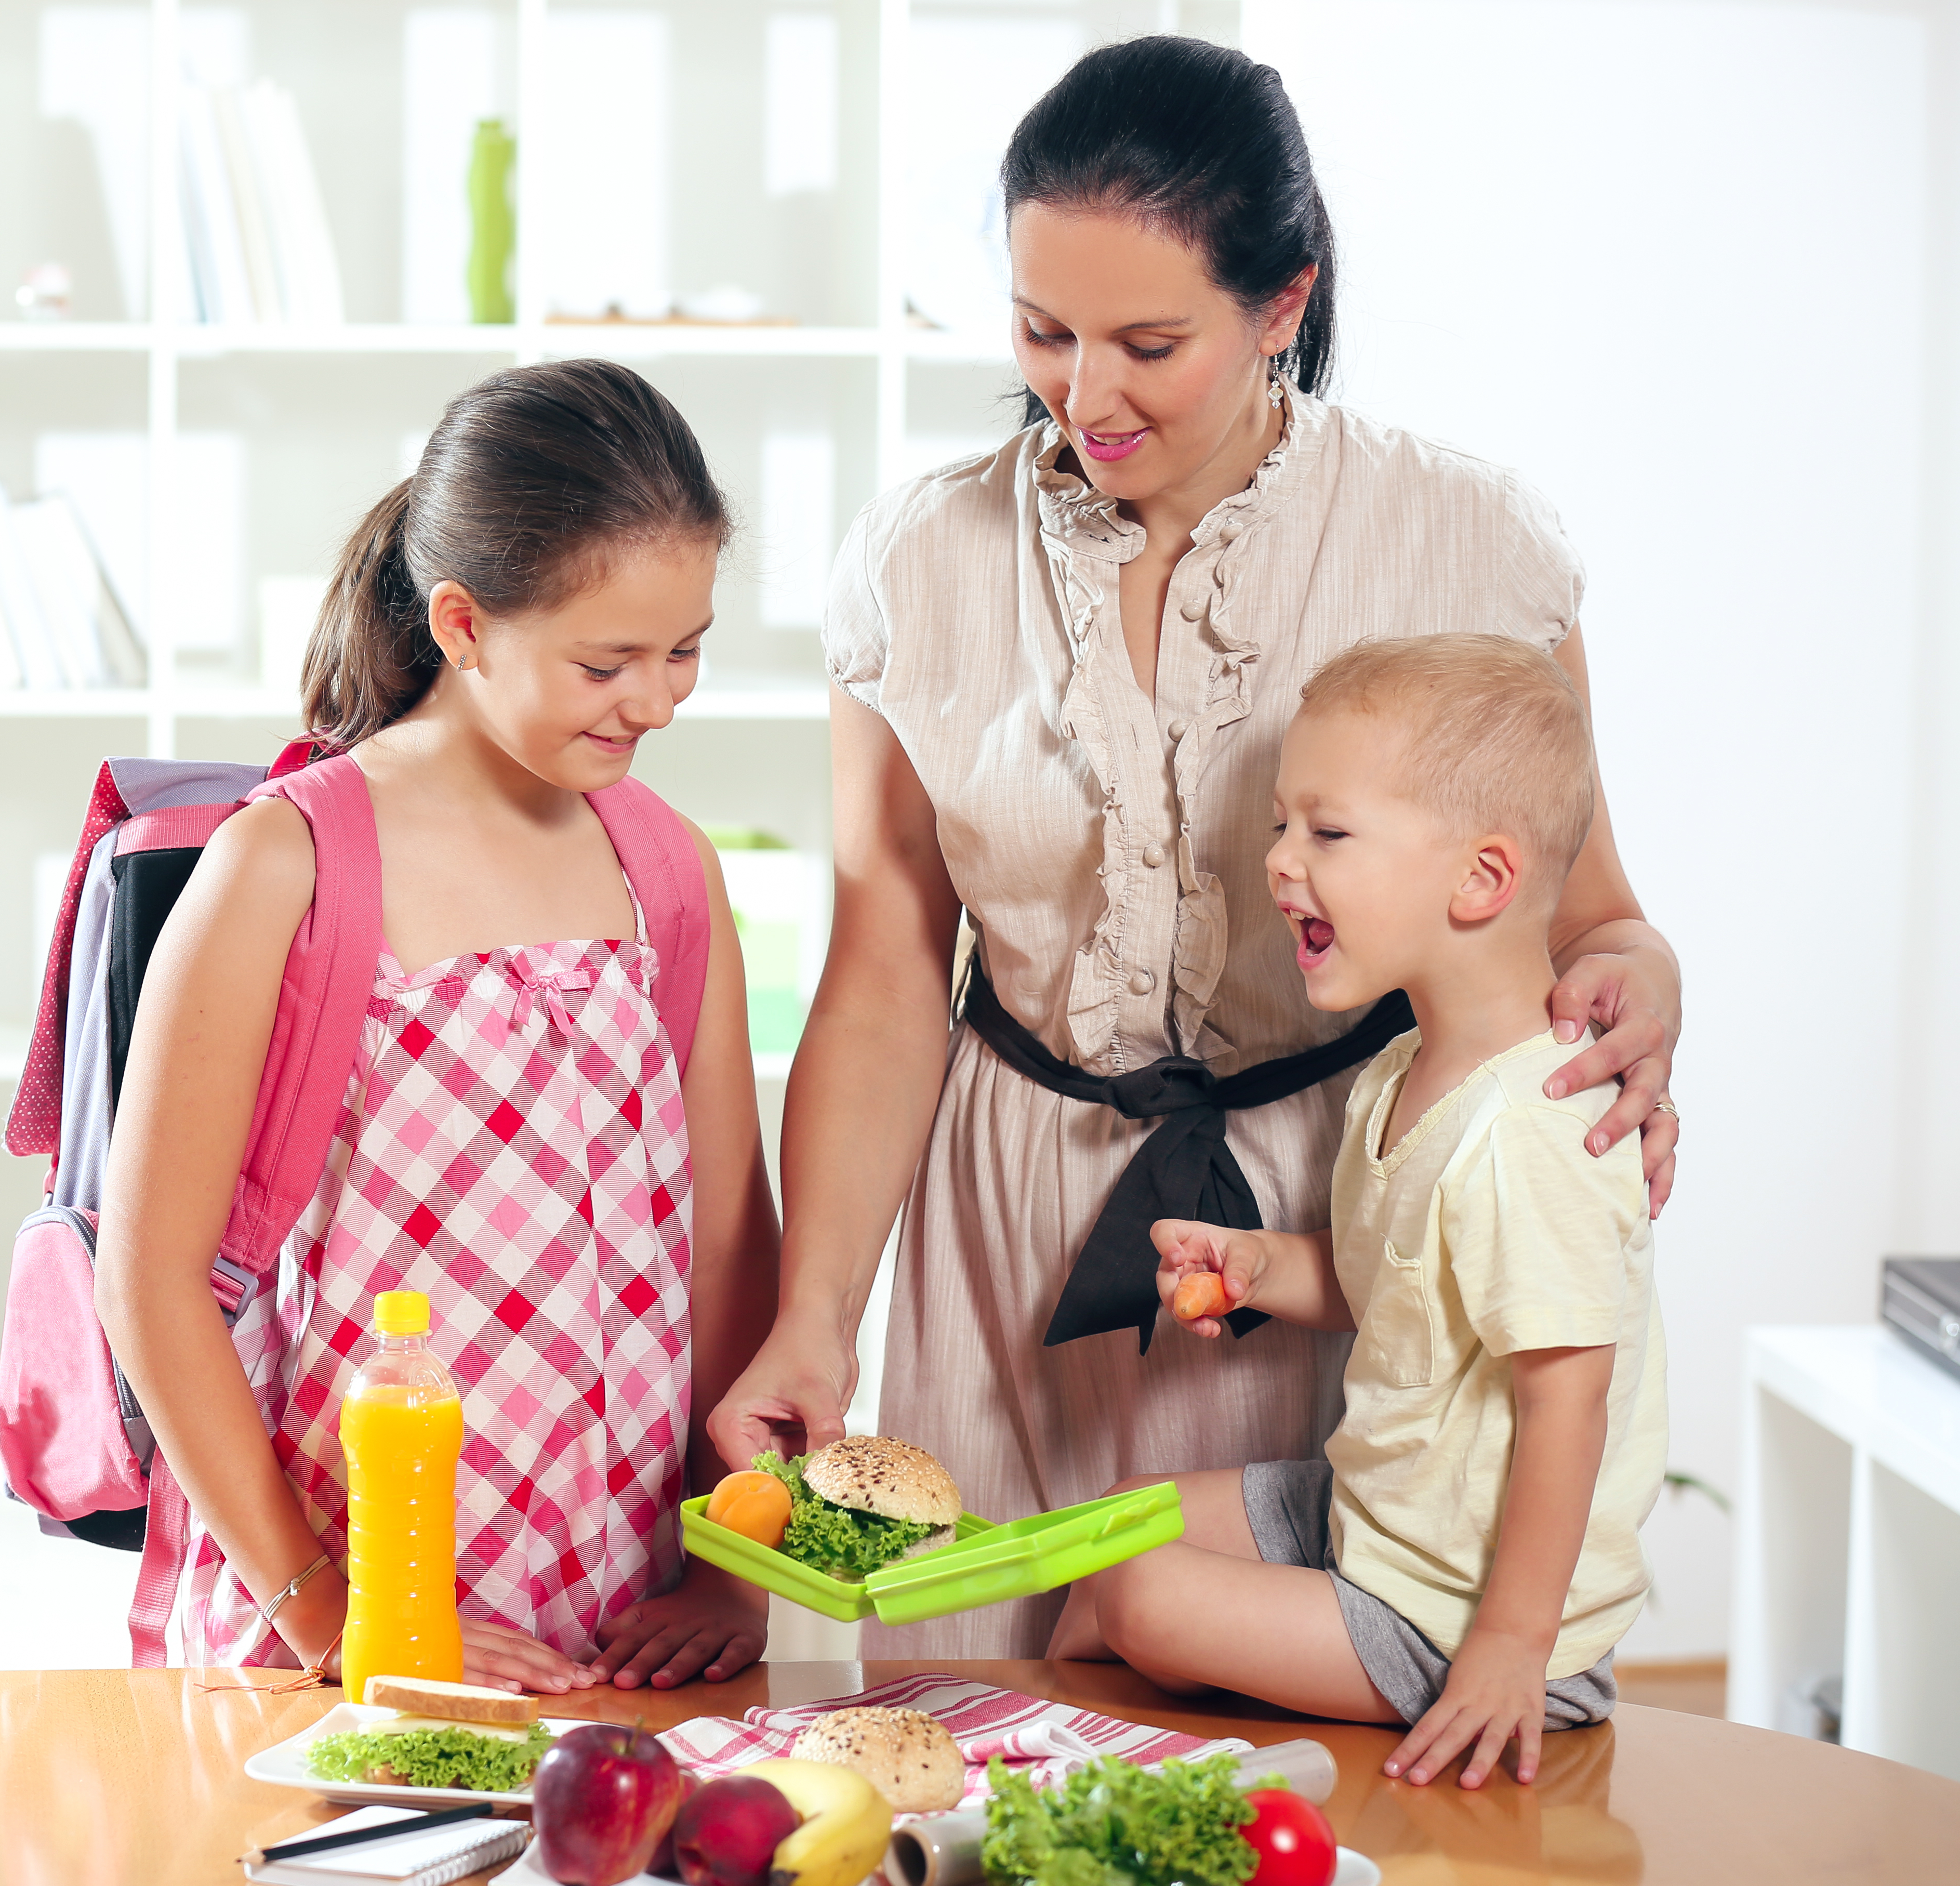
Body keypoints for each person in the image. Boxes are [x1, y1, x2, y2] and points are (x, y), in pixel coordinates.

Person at [709, 35, 1685, 1661]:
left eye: (1148, 342)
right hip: (1006, 1218)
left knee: (1303, 1788)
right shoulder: (917, 562)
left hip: (1336, 1209)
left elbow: (1592, 916)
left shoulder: (1473, 543)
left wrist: (1642, 982)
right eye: (1041, 333)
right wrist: (817, 1321)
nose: (1083, 396)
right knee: (968, 1742)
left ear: (1283, 303)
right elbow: (884, 968)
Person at [97, 359, 778, 1694]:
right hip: (336, 1622)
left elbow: (725, 1246)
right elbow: (150, 1278)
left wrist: (731, 1568)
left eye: (687, 648)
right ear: (462, 624)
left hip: (615, 1634)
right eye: (606, 661)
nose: (657, 700)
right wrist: (333, 1612)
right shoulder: (284, 866)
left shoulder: (671, 873)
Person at [1045, 634, 1667, 1792]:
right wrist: (1260, 1265)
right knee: (1112, 1531)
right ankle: (1062, 1769)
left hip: (1462, 1616)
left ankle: (1096, 1784)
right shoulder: (1401, 1075)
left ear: (1480, 879)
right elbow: (1390, 1286)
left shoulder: (1534, 1128)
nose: (1282, 861)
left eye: (1327, 834)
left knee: (1137, 1588)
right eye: (1284, 824)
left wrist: (1508, 1651)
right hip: (1380, 1518)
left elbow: (1567, 1399)